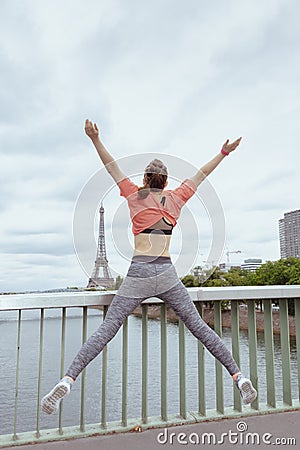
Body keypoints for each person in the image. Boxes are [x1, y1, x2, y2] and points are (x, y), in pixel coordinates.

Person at [41, 120, 257, 415]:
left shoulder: (133, 195)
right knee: (200, 329)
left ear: (145, 179)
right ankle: (238, 376)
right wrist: (224, 151)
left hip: (138, 275)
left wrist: (95, 138)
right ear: (166, 182)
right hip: (167, 275)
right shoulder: (177, 197)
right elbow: (202, 173)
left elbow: (112, 166)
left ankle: (68, 379)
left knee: (106, 330)